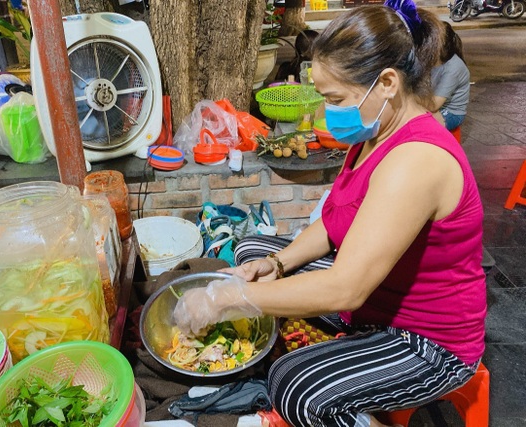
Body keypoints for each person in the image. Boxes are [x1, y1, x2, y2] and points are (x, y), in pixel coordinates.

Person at [173, 2, 486, 427]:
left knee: (292, 385)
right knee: (251, 248)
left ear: (387, 83)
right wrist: (276, 263)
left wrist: (230, 298)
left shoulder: (417, 161)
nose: (327, 112)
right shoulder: (374, 134)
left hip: (428, 341)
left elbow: (346, 289)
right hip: (377, 300)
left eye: (335, 98)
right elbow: (335, 221)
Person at [428, 17, 470, 130]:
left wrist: (411, 99)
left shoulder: (454, 67)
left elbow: (434, 105)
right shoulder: (430, 60)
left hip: (452, 112)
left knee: (420, 126)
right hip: (434, 104)